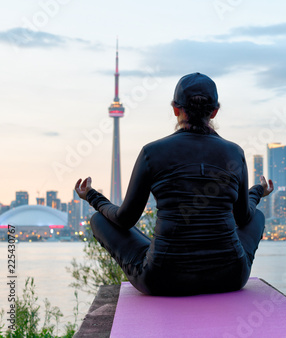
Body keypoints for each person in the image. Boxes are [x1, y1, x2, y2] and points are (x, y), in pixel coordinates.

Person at [75, 72, 273, 296]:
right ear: (215, 111)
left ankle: (166, 252)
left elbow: (124, 219)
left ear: (175, 109)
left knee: (99, 219)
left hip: (163, 279)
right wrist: (258, 191)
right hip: (229, 277)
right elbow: (245, 217)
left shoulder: (153, 152)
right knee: (257, 215)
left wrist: (92, 196)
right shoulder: (235, 153)